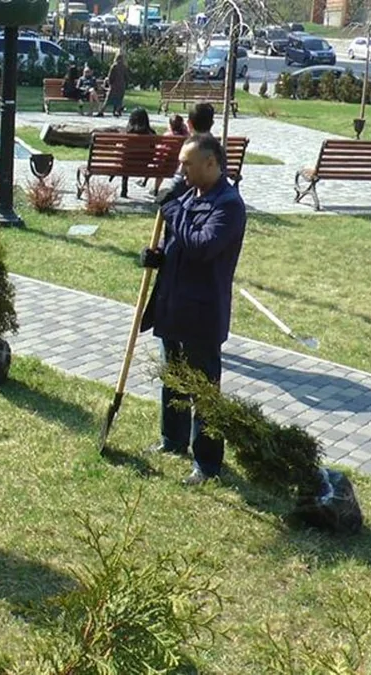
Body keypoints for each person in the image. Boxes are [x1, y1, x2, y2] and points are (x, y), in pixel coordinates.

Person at [139, 134, 247, 486]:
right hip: (173, 303)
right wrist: (159, 257)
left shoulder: (228, 205)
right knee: (173, 378)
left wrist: (171, 211)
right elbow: (181, 245)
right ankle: (172, 439)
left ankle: (207, 463)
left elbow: (202, 246)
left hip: (202, 311)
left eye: (187, 163)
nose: (180, 169)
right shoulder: (188, 194)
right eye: (180, 162)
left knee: (203, 389)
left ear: (211, 164)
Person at [97, 52, 127, 117]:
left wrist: (110, 83)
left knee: (108, 99)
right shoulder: (124, 67)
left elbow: (110, 76)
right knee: (119, 99)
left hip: (114, 85)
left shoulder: (114, 66)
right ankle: (116, 111)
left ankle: (101, 111)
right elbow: (126, 76)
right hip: (122, 85)